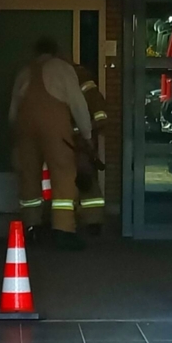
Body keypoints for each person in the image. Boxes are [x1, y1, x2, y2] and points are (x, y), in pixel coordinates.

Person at [9, 37, 92, 249]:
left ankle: (31, 228)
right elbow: (77, 103)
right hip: (56, 129)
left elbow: (13, 111)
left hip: (24, 128)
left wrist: (16, 134)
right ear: (56, 51)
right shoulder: (62, 69)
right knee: (63, 174)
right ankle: (63, 231)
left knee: (29, 176)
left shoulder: (24, 72)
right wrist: (86, 133)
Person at [70, 62, 107, 237]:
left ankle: (92, 221)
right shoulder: (80, 83)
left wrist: (85, 132)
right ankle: (90, 220)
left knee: (85, 180)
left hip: (82, 143)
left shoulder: (83, 86)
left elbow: (101, 116)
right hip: (76, 140)